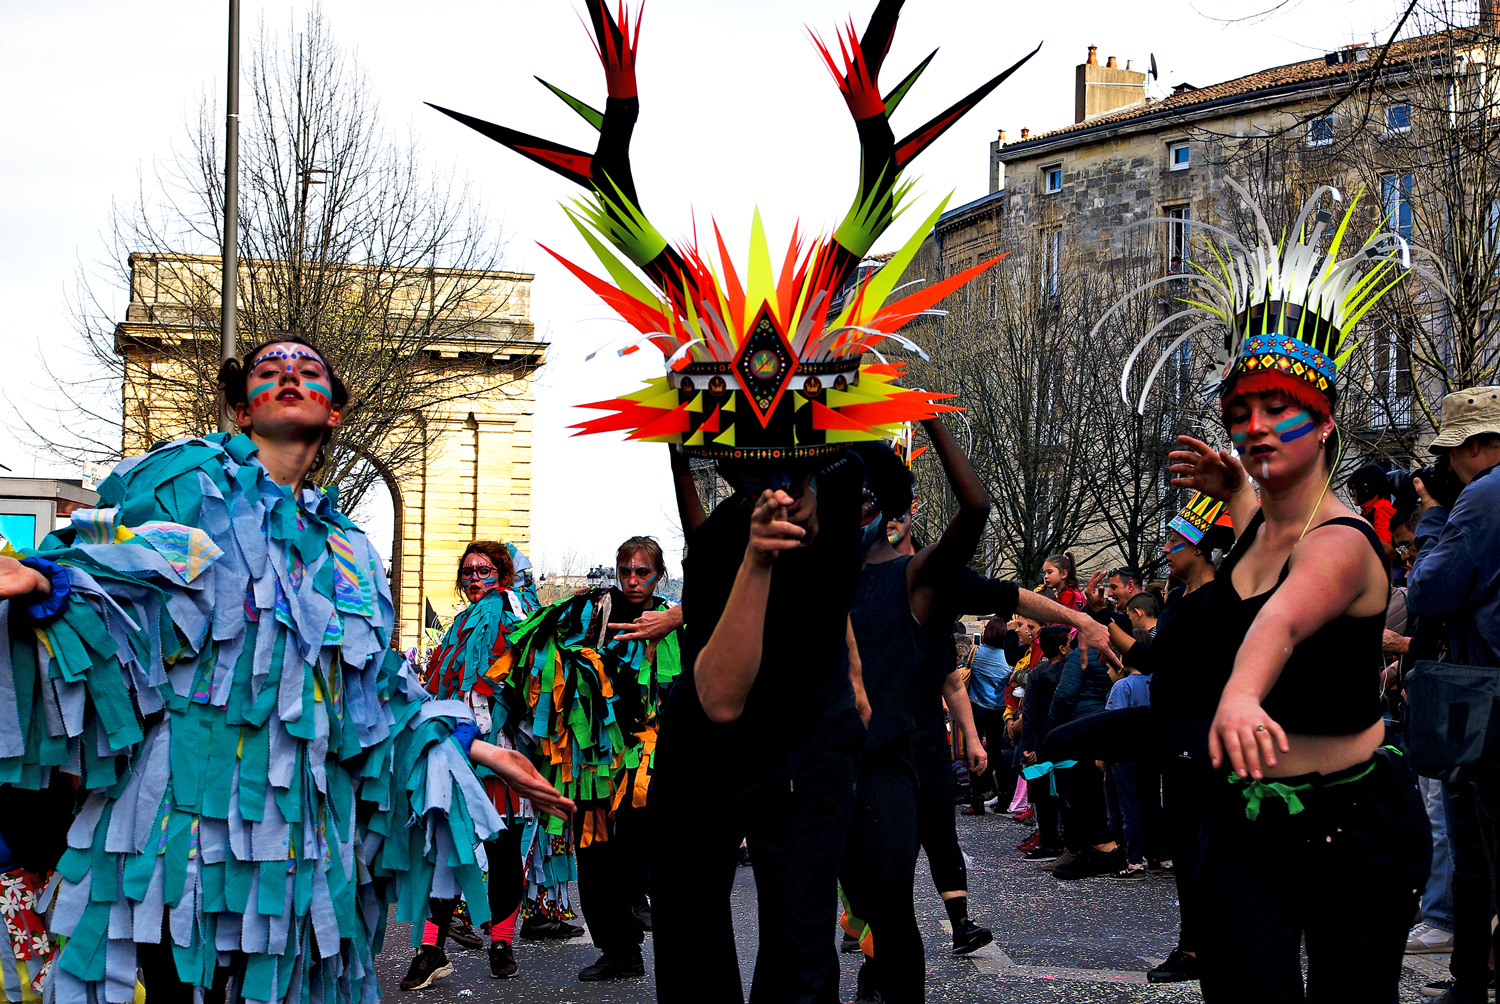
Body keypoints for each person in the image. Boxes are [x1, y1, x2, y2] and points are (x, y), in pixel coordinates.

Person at [0, 336, 572, 1002]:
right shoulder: (187, 485)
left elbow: (372, 693)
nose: (292, 375)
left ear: (334, 413)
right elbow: (124, 580)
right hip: (179, 826)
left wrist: (474, 748)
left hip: (300, 838)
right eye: (270, 370)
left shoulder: (349, 549)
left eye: (310, 370)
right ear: (242, 409)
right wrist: (48, 584)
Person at [1135, 182, 1426, 1002]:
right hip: (1246, 816)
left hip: (1355, 825)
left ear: (1326, 420)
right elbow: (1245, 589)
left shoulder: (1343, 543)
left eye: (1281, 408)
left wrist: (1241, 696)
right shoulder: (1255, 529)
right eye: (1243, 410)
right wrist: (1235, 498)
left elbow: (1282, 621)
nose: (1257, 426)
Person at [498, 536, 682, 982]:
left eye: (644, 572)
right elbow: (536, 648)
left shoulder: (673, 616)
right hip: (592, 758)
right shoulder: (590, 609)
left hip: (649, 752)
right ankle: (619, 950)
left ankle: (655, 918)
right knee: (595, 854)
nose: (634, 580)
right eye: (626, 571)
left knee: (647, 842)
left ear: (658, 573)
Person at [398, 540, 563, 990]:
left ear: (503, 575)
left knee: (502, 848)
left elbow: (526, 675)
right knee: (443, 845)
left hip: (501, 747)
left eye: (484, 570)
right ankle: (432, 950)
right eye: (468, 571)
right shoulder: (459, 625)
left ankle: (502, 943)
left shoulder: (513, 611)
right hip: (455, 747)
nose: (474, 578)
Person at [1407, 386, 1500, 1004]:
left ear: (1470, 448)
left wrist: (1438, 514)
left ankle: (1471, 983)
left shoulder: (1484, 495)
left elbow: (1429, 591)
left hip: (1488, 697)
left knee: (1477, 848)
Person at [1348, 463, 1397, 561]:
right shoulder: (1369, 511)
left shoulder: (1381, 508)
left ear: (1365, 489)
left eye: (1354, 490)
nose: (1352, 496)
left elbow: (1384, 547)